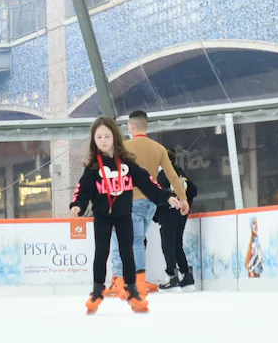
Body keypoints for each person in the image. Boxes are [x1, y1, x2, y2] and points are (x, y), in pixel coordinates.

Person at [70, 116, 181, 314]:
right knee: (101, 252)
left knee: (127, 252)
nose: (103, 140)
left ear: (115, 137)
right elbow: (83, 190)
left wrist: (167, 196)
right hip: (103, 216)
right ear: (94, 141)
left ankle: (132, 291)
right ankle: (97, 292)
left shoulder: (128, 164)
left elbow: (148, 183)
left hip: (123, 215)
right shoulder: (94, 167)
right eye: (98, 137)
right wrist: (77, 206)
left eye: (106, 136)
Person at [107, 110, 188, 297]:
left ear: (132, 126)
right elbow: (172, 176)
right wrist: (183, 199)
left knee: (131, 241)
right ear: (146, 126)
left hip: (130, 202)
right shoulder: (158, 148)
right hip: (151, 203)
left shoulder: (123, 148)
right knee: (134, 240)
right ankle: (127, 280)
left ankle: (133, 282)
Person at [155, 148, 197, 291]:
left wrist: (158, 213)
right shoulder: (179, 173)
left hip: (168, 213)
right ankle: (186, 275)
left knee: (168, 244)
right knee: (177, 244)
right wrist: (186, 204)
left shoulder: (163, 174)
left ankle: (171, 276)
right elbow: (193, 189)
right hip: (180, 214)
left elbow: (158, 193)